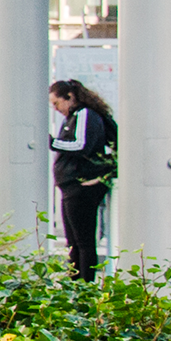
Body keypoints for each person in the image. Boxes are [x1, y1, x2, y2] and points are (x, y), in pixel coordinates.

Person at [49, 79, 117, 280]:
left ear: (69, 97)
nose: (56, 109)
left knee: (83, 241)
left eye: (57, 103)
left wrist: (53, 143)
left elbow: (81, 145)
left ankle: (84, 284)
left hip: (80, 185)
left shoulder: (84, 114)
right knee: (75, 242)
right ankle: (77, 283)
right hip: (72, 185)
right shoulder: (74, 117)